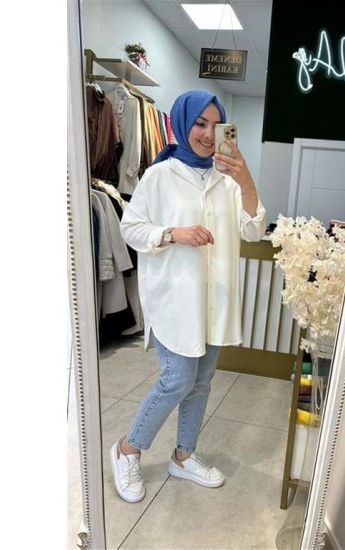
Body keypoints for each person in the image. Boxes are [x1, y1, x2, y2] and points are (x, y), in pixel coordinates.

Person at [110, 89, 267, 503]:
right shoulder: (159, 175)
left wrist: (245, 178)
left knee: (200, 383)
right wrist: (173, 233)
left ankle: (183, 456)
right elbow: (131, 228)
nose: (208, 134)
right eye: (200, 123)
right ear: (182, 123)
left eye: (216, 125)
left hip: (214, 302)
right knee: (176, 380)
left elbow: (254, 229)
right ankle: (127, 449)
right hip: (174, 299)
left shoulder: (227, 180)